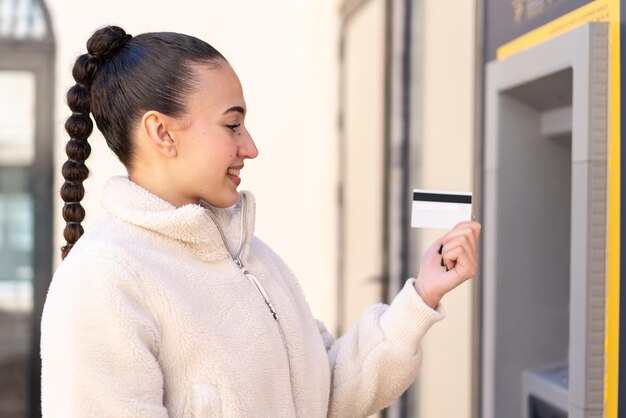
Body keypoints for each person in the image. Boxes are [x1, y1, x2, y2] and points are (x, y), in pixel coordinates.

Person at [40, 25, 481, 418]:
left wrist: (422, 296)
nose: (250, 147)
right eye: (232, 125)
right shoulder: (102, 282)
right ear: (162, 133)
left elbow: (328, 395)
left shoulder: (250, 256)